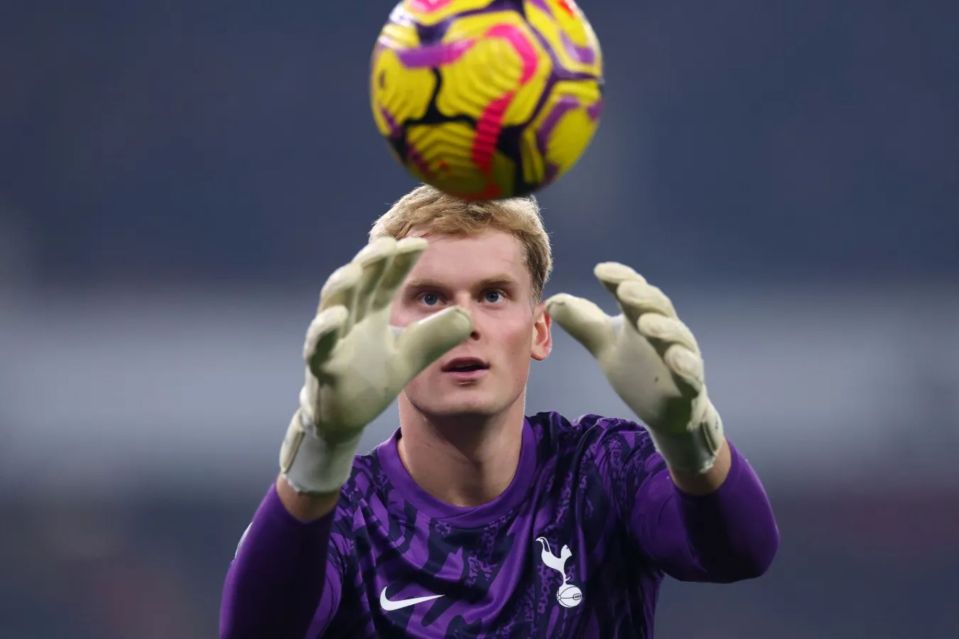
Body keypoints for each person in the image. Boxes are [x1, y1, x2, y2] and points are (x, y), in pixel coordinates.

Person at [219, 185, 779, 638]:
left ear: (539, 331)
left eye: (492, 295)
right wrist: (322, 447)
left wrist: (688, 435)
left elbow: (744, 553)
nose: (465, 325)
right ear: (383, 333)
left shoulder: (602, 470)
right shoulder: (344, 516)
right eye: (431, 298)